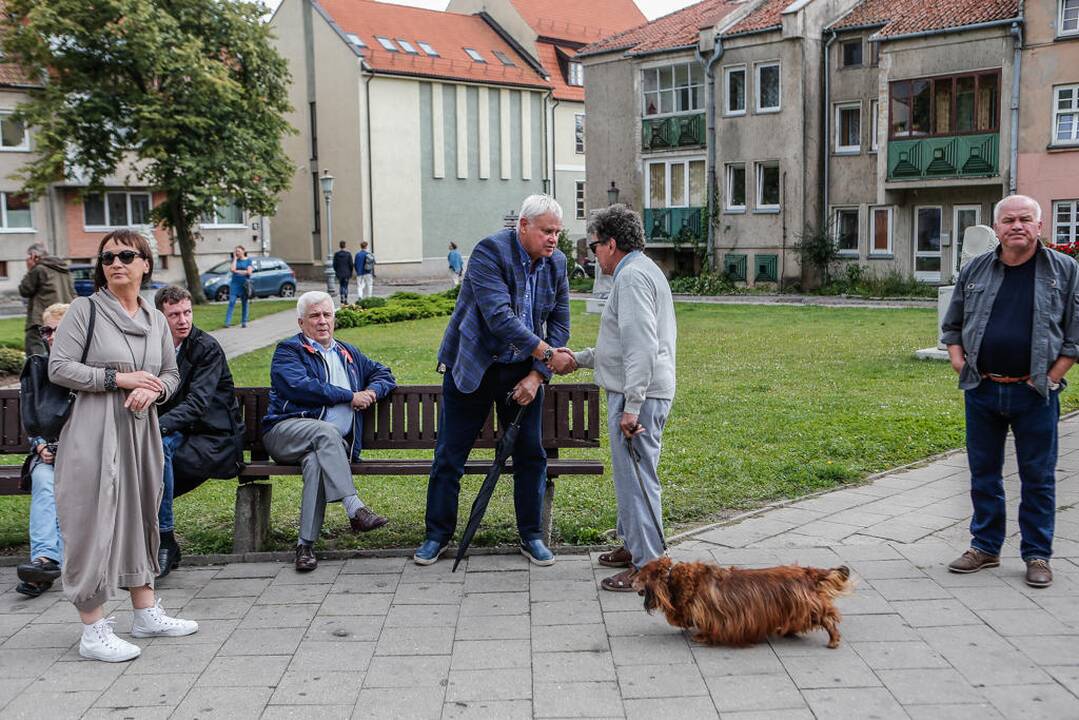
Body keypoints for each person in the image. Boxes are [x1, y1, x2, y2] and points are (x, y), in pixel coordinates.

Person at [49, 228, 198, 663]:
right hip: (94, 431)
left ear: (146, 264)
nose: (116, 262)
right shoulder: (85, 310)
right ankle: (93, 629)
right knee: (90, 523)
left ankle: (145, 611)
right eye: (108, 256)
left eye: (127, 255)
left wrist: (155, 391)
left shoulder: (155, 318)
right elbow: (59, 367)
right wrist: (118, 379)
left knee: (140, 517)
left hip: (140, 431)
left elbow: (171, 375)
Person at [414, 194, 572, 567]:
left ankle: (531, 535)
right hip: (473, 366)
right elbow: (499, 317)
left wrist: (537, 375)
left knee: (531, 454)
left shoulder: (557, 264)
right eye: (547, 231)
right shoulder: (489, 252)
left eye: (558, 233)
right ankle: (436, 536)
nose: (553, 239)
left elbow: (561, 322)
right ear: (523, 226)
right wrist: (548, 355)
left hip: (522, 369)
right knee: (450, 455)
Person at [941, 194, 1079, 589]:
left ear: (1039, 226)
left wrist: (1051, 377)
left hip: (1035, 393)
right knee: (984, 474)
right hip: (982, 389)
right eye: (1008, 220)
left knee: (1038, 477)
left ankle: (1037, 554)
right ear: (997, 227)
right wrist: (958, 360)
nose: (1016, 226)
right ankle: (985, 547)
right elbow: (953, 325)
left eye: (1025, 219)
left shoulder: (1065, 271)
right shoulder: (976, 269)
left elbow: (1075, 335)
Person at [552, 205, 677, 591]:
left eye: (593, 247)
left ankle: (649, 567)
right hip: (635, 389)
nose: (591, 256)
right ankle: (634, 546)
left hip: (636, 396)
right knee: (630, 477)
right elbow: (621, 347)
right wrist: (581, 359)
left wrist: (633, 406)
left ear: (611, 243)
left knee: (638, 479)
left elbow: (641, 346)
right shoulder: (640, 271)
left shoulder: (633, 278)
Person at [262, 291, 397, 572]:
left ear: (334, 319)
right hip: (285, 433)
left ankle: (305, 546)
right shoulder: (289, 351)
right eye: (314, 316)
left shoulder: (348, 353)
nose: (322, 321)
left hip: (327, 447)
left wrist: (371, 391)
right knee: (326, 432)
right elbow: (300, 386)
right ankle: (354, 507)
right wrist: (349, 396)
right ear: (301, 322)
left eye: (327, 315)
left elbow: (385, 374)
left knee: (316, 462)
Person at [154, 285, 245, 578]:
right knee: (138, 466)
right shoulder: (152, 346)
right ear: (159, 317)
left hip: (212, 435)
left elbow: (197, 403)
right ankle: (150, 539)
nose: (183, 320)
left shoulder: (205, 347)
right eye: (174, 314)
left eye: (187, 312)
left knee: (157, 454)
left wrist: (156, 428)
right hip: (181, 430)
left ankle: (164, 538)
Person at [15, 302, 70, 598]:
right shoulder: (36, 368)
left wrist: (63, 448)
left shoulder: (85, 370)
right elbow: (30, 419)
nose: (48, 336)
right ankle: (45, 561)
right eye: (45, 330)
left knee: (66, 485)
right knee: (44, 481)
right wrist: (38, 445)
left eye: (55, 331)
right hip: (46, 456)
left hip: (83, 455)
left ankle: (46, 565)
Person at [19, 242, 75, 356]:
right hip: (64, 316)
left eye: (28, 256)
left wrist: (30, 269)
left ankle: (38, 373)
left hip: (42, 317)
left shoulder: (39, 269)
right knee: (59, 350)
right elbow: (72, 292)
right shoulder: (64, 269)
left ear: (34, 256)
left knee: (35, 349)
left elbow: (24, 290)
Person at [224, 245, 253, 328]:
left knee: (244, 303)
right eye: (236, 251)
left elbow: (249, 272)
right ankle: (227, 322)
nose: (237, 253)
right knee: (231, 302)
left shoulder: (248, 261)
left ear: (243, 251)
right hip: (234, 284)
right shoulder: (235, 260)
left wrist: (237, 271)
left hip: (244, 284)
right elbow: (232, 269)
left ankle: (244, 322)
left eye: (239, 251)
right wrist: (235, 259)